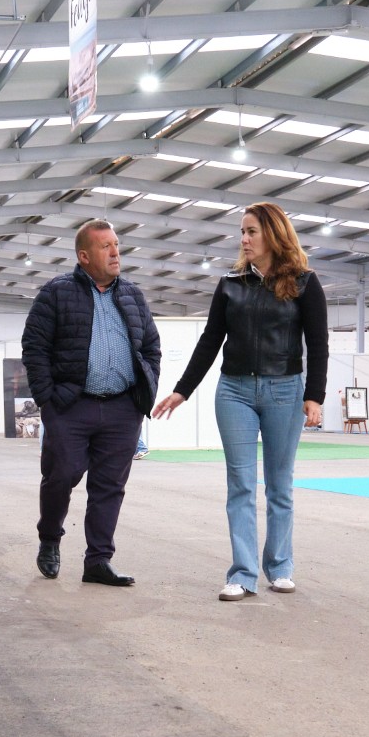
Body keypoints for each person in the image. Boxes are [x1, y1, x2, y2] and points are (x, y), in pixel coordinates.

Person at [152, 202, 327, 601]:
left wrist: (314, 396)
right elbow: (210, 341)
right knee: (240, 485)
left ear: (274, 235)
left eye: (251, 231)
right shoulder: (230, 283)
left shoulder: (305, 282)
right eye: (242, 232)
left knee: (279, 485)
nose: (244, 239)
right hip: (234, 392)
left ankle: (280, 567)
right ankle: (243, 574)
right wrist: (182, 390)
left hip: (285, 391)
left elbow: (318, 344)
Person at [21, 219, 160, 586]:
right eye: (105, 247)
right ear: (84, 256)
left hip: (122, 408)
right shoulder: (56, 293)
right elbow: (34, 347)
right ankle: (50, 539)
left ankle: (98, 560)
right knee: (61, 475)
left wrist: (143, 391)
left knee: (109, 486)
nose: (115, 253)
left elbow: (150, 346)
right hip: (70, 406)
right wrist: (48, 399)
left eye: (116, 245)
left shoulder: (132, 294)